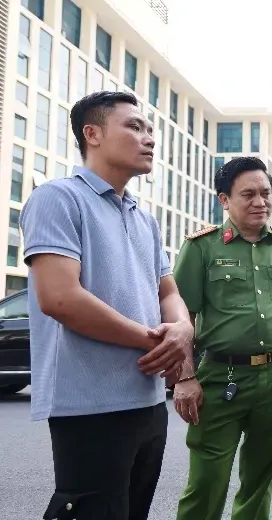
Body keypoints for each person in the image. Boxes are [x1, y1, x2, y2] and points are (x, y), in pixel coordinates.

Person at [20, 91, 193, 519]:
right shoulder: (59, 198)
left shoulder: (143, 217)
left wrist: (183, 330)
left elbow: (167, 292)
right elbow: (60, 298)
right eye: (134, 127)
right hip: (89, 403)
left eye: (150, 129)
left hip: (148, 401)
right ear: (91, 134)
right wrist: (155, 340)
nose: (148, 137)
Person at [171, 156, 272, 520]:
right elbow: (180, 318)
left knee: (260, 477)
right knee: (207, 479)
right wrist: (184, 376)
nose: (260, 202)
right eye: (249, 194)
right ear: (224, 200)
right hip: (220, 376)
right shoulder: (202, 248)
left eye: (266, 193)